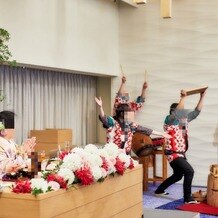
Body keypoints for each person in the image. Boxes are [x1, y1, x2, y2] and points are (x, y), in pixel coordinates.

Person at [154, 89, 206, 204]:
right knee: (189, 171)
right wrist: (183, 97)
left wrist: (202, 96)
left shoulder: (183, 121)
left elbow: (196, 112)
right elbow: (178, 112)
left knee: (178, 175)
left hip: (181, 154)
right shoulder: (169, 121)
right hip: (173, 154)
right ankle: (187, 198)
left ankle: (159, 190)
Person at [95, 97, 171, 154]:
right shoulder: (113, 122)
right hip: (112, 153)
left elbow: (145, 130)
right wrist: (100, 107)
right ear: (122, 114)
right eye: (129, 112)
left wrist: (162, 134)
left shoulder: (130, 125)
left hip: (125, 153)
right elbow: (103, 118)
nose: (131, 115)